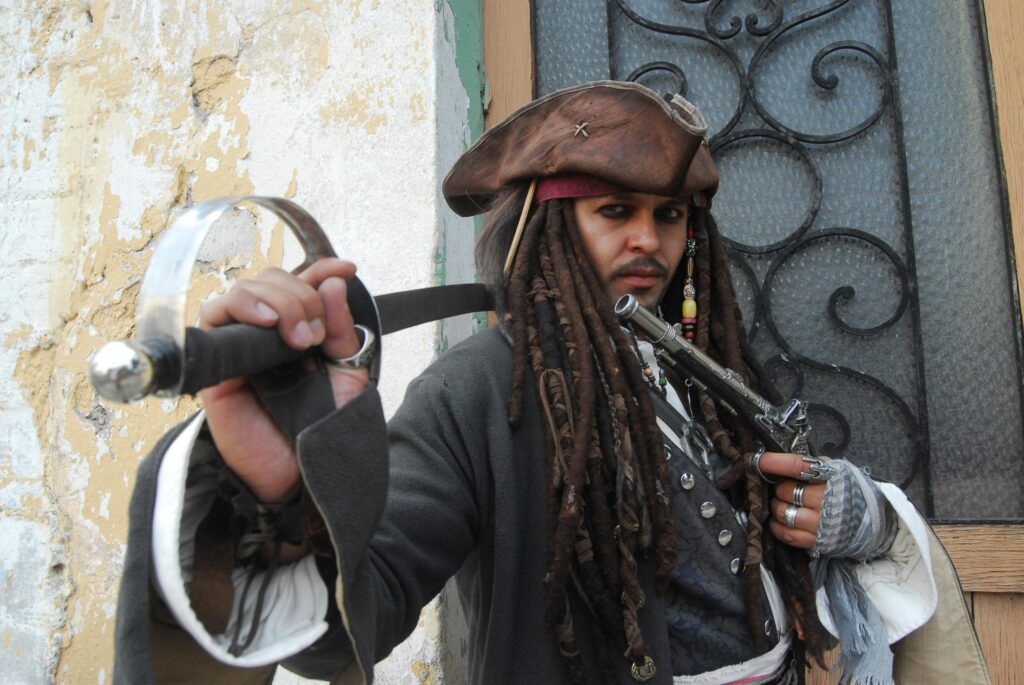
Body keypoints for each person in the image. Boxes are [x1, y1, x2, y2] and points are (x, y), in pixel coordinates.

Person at [113, 82, 989, 685]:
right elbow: (353, 615)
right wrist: (277, 499)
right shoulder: (476, 391)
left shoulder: (707, 365)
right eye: (615, 212)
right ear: (547, 228)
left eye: (670, 216)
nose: (649, 239)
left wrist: (860, 518)